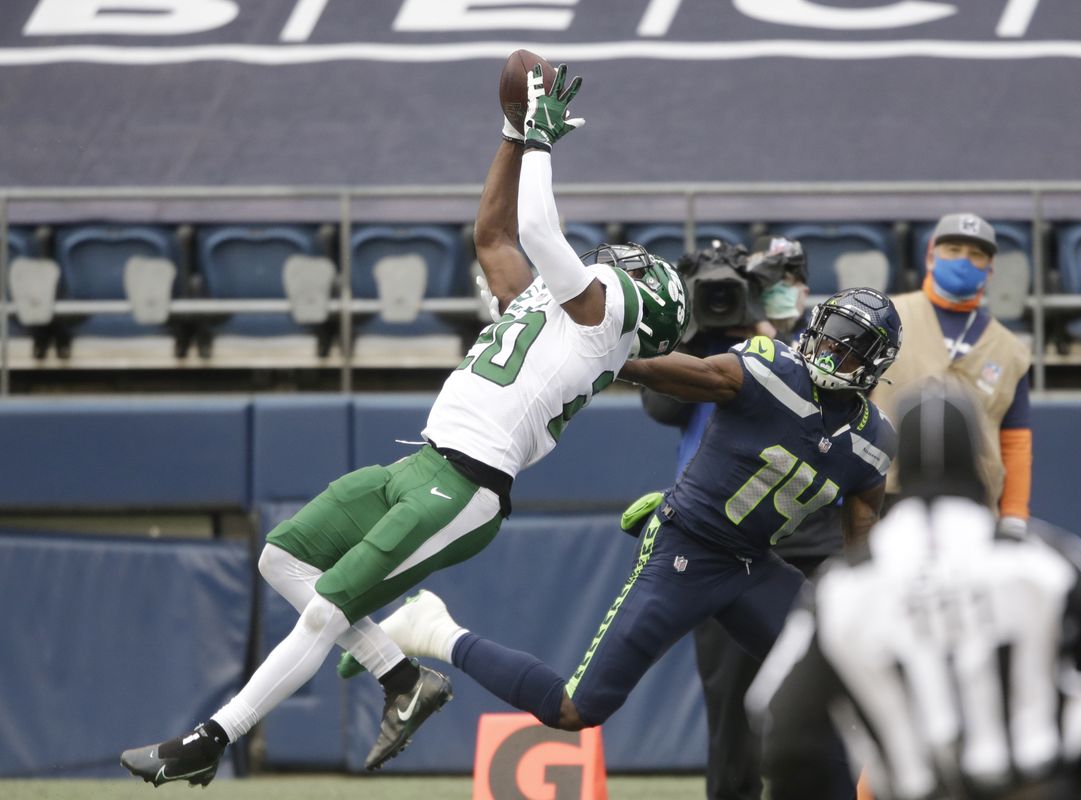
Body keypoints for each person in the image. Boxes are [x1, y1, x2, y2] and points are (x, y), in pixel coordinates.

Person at [118, 62, 691, 787]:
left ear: (642, 303)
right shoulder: (559, 307)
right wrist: (511, 135)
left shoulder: (605, 322)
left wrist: (542, 143)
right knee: (281, 559)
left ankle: (210, 739)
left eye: (632, 268)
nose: (614, 263)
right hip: (422, 464)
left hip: (465, 486)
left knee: (326, 612)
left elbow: (540, 230)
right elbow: (494, 237)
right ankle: (402, 678)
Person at [356, 287, 903, 798]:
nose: (830, 351)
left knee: (847, 683)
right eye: (829, 335)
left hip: (753, 565)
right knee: (575, 710)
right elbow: (674, 374)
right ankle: (436, 630)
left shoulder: (874, 439)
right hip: (688, 548)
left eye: (849, 348)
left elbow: (862, 549)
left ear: (874, 365)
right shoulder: (769, 368)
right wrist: (587, 347)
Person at [746, 379, 1081, 800]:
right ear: (977, 458)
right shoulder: (1045, 560)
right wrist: (1074, 760)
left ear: (899, 461)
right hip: (1038, 786)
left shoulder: (843, 587)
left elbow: (780, 722)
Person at [644, 236, 839, 800]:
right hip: (723, 540)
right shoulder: (700, 352)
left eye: (783, 282)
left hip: (813, 535)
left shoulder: (817, 346)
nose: (726, 298)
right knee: (730, 705)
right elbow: (662, 405)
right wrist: (691, 329)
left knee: (823, 696)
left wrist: (763, 330)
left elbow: (823, 404)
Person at [869, 212, 1033, 530]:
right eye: (953, 250)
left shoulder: (1011, 350)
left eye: (976, 254)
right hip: (883, 498)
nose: (963, 261)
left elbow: (1015, 441)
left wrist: (1014, 514)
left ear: (990, 268)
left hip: (974, 507)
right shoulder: (885, 316)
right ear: (931, 256)